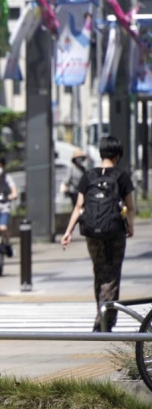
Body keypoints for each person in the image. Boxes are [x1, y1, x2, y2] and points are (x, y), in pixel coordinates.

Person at [61, 136, 135, 332]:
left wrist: (68, 232)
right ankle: (104, 321)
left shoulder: (89, 175)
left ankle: (100, 315)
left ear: (101, 153)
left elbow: (79, 206)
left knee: (99, 271)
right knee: (112, 273)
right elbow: (130, 206)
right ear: (118, 155)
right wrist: (130, 226)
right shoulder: (121, 175)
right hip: (114, 231)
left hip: (92, 232)